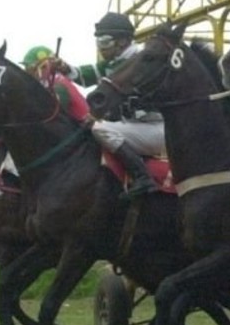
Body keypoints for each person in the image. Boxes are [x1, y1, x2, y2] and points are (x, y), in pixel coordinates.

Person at [54, 11, 164, 198]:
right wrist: (64, 67)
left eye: (104, 42)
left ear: (122, 41)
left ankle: (142, 177)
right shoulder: (115, 62)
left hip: (155, 127)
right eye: (98, 43)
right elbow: (84, 75)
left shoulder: (141, 61)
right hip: (134, 126)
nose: (101, 49)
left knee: (98, 128)